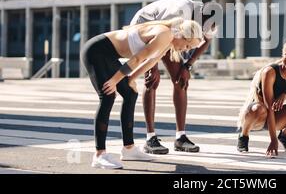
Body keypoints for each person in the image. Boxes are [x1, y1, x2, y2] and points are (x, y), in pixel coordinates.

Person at [81, 17, 203, 169]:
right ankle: (99, 155)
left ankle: (129, 149)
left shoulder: (169, 40)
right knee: (108, 95)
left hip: (109, 55)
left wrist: (130, 79)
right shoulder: (165, 34)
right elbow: (138, 58)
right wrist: (115, 81)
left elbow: (150, 62)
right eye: (187, 45)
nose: (185, 49)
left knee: (130, 93)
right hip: (96, 50)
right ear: (182, 35)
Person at [129, 0, 218, 154]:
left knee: (181, 80)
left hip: (171, 34)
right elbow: (158, 35)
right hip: (146, 27)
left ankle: (180, 138)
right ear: (197, 20)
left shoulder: (210, 18)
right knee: (152, 80)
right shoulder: (179, 11)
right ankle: (150, 138)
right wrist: (152, 66)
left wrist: (187, 66)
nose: (205, 32)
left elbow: (205, 41)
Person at [236, 37, 286, 156]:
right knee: (259, 109)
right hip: (258, 116)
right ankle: (243, 135)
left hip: (275, 116)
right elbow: (269, 106)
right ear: (283, 54)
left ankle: (285, 136)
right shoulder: (270, 72)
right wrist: (273, 140)